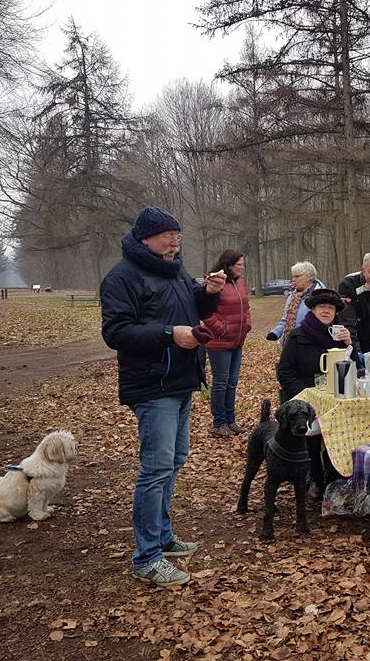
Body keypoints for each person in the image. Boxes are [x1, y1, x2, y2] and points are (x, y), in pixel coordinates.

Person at [100, 206, 225, 587]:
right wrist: (171, 334)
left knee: (174, 462)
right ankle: (147, 557)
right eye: (167, 235)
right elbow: (116, 333)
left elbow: (190, 306)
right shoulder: (122, 278)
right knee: (155, 471)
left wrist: (207, 293)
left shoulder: (174, 270)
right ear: (144, 239)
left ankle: (163, 537)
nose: (174, 240)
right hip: (153, 385)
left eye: (177, 234)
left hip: (182, 380)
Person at [276, 288, 352, 496]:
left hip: (337, 397)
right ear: (313, 310)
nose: (326, 311)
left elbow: (355, 368)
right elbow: (285, 372)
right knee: (309, 431)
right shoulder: (298, 335)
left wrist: (350, 345)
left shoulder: (340, 334)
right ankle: (315, 478)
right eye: (322, 307)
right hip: (305, 396)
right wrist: (306, 397)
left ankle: (339, 477)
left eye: (330, 308)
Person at [202, 250, 252, 437]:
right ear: (229, 265)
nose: (243, 267)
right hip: (219, 343)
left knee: (232, 383)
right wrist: (221, 329)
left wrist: (247, 324)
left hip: (237, 341)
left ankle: (231, 421)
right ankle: (219, 423)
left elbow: (246, 307)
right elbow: (206, 312)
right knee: (221, 383)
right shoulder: (215, 282)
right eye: (240, 264)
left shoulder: (240, 282)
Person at [266, 261, 325, 347]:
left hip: (309, 346)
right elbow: (285, 320)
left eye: (297, 276)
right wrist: (276, 332)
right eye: (293, 276)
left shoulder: (320, 296)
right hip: (289, 345)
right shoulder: (292, 297)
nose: (293, 280)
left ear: (308, 277)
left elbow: (321, 324)